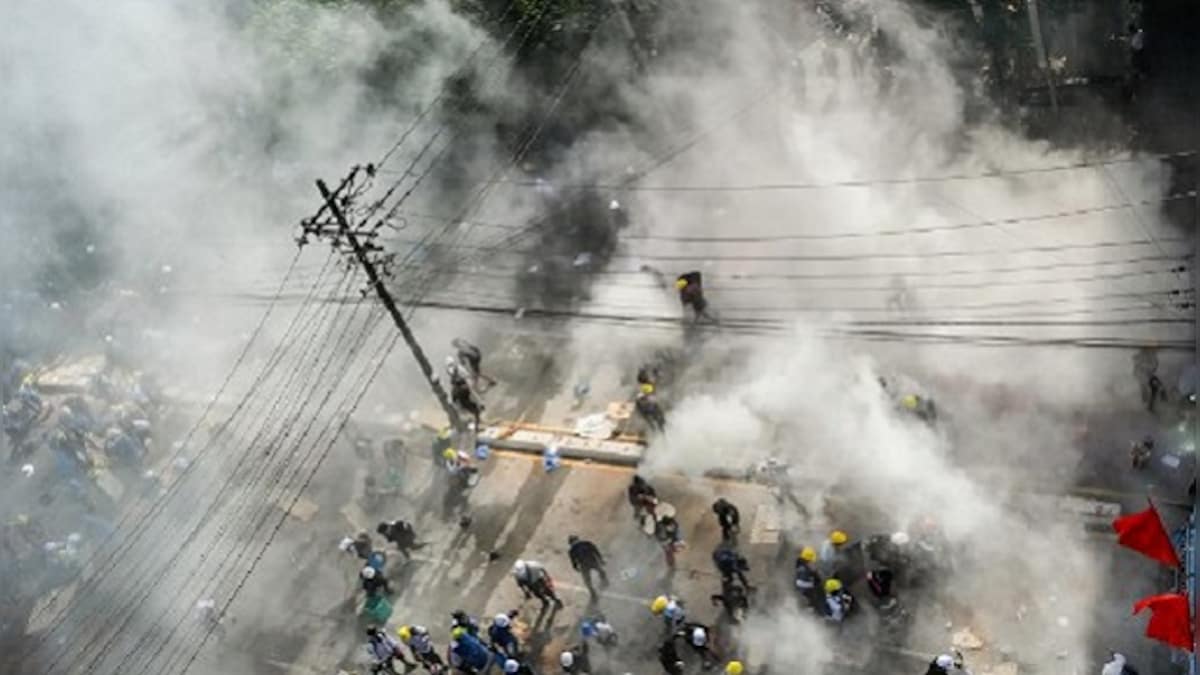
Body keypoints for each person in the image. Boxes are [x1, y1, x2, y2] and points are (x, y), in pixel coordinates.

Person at [794, 546, 823, 613]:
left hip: (804, 588)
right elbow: (799, 583)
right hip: (803, 592)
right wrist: (812, 584)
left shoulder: (802, 564)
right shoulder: (803, 569)